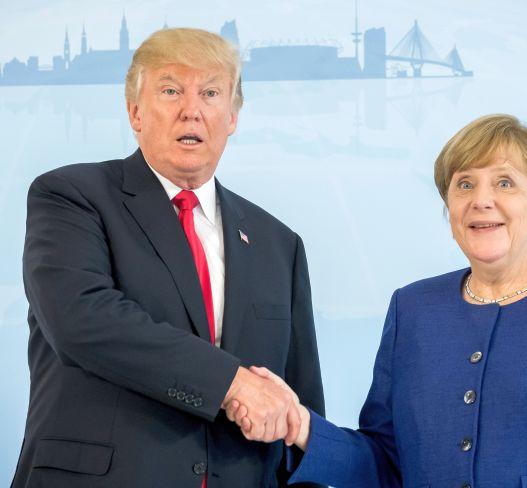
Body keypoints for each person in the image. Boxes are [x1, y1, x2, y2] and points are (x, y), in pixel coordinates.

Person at [228, 114, 527, 487]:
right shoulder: (413, 309)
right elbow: (385, 462)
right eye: (463, 185)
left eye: (504, 182)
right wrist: (300, 425)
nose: (481, 200)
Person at [13, 28, 324, 488]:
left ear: (233, 116)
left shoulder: (278, 242)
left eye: (211, 93)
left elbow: (298, 406)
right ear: (135, 111)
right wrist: (233, 383)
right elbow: (82, 319)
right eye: (171, 90)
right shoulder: (72, 197)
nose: (191, 110)